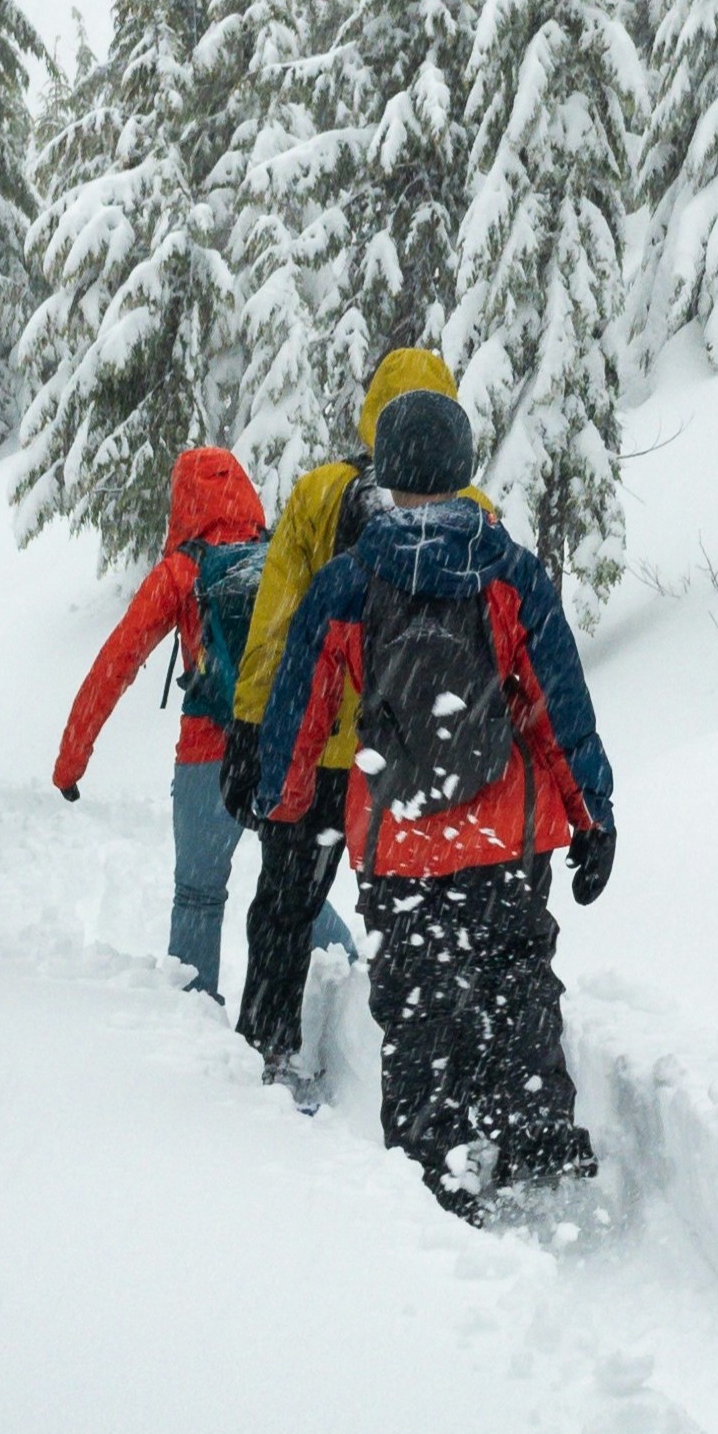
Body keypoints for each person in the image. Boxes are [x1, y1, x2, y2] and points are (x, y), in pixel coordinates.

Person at [253, 389, 617, 1221]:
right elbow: (560, 704)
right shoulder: (510, 573)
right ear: (463, 466)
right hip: (506, 836)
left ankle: (436, 1174)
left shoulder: (350, 582)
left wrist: (285, 799)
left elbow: (300, 707)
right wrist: (591, 811)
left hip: (399, 843)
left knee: (418, 1009)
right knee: (517, 980)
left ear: (383, 471)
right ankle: (536, 1142)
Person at [222, 350, 497, 1084]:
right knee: (426, 926)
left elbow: (276, 625)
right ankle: (440, 1080)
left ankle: (268, 1049)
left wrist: (252, 730)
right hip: (420, 762)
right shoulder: (475, 512)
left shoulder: (319, 493)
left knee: (284, 909)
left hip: (318, 753)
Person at [52, 446, 351, 999]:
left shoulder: (182, 571)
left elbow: (115, 663)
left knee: (198, 894)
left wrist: (71, 761)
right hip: (276, 749)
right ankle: (352, 981)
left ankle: (194, 1033)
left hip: (206, 757)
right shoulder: (279, 555)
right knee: (291, 885)